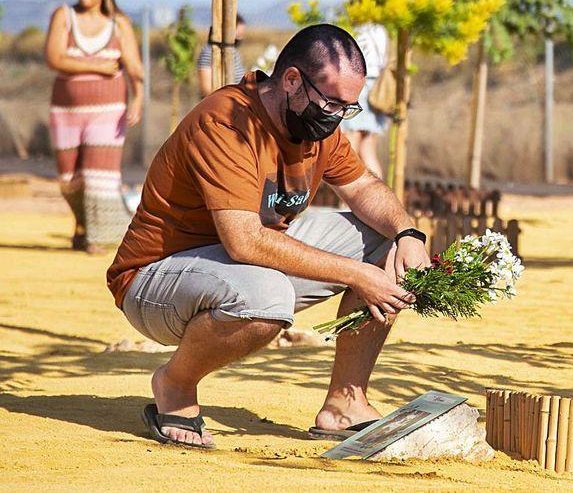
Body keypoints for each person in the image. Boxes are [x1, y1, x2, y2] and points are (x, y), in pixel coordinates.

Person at [107, 24, 430, 449]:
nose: (338, 117)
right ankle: (175, 385)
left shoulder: (318, 127)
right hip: (155, 279)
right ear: (293, 80)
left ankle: (345, 404)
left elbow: (365, 188)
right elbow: (245, 241)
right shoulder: (227, 122)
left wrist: (408, 233)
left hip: (235, 263)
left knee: (386, 244)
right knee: (267, 298)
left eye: (349, 108)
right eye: (332, 103)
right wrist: (356, 274)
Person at [44, 0, 144, 253]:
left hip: (109, 109)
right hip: (66, 111)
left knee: (99, 176)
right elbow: (54, 58)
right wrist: (99, 65)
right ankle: (83, 222)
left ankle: (98, 239)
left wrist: (137, 97)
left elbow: (134, 67)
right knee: (68, 179)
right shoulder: (64, 17)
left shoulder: (119, 23)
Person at [341, 23, 390, 177]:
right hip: (377, 89)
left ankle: (348, 199)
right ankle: (377, 197)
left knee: (350, 146)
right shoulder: (382, 30)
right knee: (368, 150)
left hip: (360, 86)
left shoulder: (358, 30)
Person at [196, 14, 246, 96]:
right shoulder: (209, 52)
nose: (240, 38)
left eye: (242, 35)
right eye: (238, 34)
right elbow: (206, 88)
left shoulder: (234, 52)